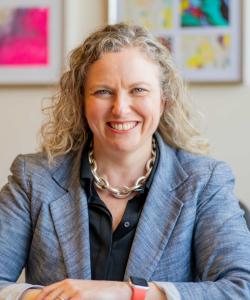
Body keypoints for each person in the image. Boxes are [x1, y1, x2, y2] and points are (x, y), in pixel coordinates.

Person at [0, 23, 250, 300]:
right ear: (81, 101)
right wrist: (55, 297)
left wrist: (127, 293)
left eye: (138, 90)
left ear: (163, 101)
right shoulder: (33, 177)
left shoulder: (205, 181)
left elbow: (241, 288)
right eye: (103, 92)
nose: (120, 108)